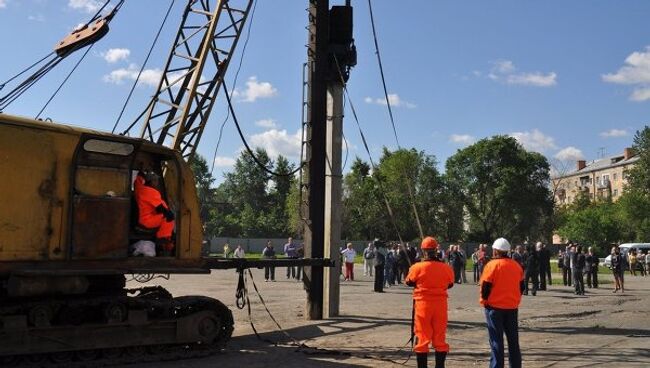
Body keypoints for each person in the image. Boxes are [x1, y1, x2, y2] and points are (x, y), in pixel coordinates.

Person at [405, 236, 454, 368]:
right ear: (436, 250)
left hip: (423, 305)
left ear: (423, 251)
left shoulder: (417, 267)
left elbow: (409, 282)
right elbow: (450, 284)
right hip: (440, 305)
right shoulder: (446, 267)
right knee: (439, 337)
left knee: (422, 336)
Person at [479, 238, 524, 368]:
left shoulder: (491, 265)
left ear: (496, 251)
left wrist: (484, 302)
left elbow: (485, 287)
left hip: (494, 308)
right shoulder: (516, 266)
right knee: (513, 341)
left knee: (496, 341)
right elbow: (522, 287)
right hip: (512, 308)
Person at [134, 171, 175, 253]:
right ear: (151, 181)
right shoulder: (151, 192)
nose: (157, 183)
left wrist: (140, 175)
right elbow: (160, 208)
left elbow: (137, 183)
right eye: (156, 181)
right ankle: (162, 240)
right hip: (147, 220)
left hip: (142, 218)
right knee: (169, 218)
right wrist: (169, 212)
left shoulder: (140, 189)